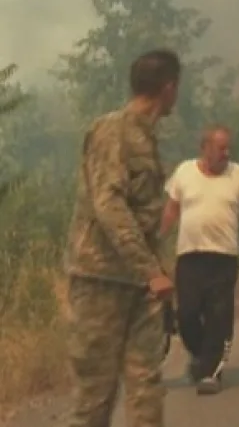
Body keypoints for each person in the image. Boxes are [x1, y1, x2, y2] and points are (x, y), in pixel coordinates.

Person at [63, 48, 181, 427]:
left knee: (147, 385)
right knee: (94, 397)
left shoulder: (147, 137)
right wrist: (151, 271)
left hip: (140, 284)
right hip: (100, 280)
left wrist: (156, 273)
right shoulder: (113, 131)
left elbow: (144, 216)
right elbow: (109, 206)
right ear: (168, 88)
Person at [159, 125, 239, 395]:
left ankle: (210, 372)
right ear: (205, 148)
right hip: (190, 256)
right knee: (187, 314)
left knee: (219, 315)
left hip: (223, 258)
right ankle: (202, 355)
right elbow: (171, 211)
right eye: (220, 148)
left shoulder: (237, 175)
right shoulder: (184, 172)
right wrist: (155, 241)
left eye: (228, 148)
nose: (226, 153)